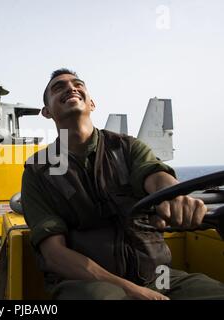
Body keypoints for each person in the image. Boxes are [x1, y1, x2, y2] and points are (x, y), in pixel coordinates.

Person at [21, 68, 224, 300]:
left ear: (92, 103)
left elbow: (156, 177)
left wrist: (174, 195)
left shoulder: (127, 148)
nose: (70, 87)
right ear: (47, 112)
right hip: (87, 282)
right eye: (59, 87)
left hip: (159, 277)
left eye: (78, 84)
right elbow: (54, 255)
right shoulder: (38, 171)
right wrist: (132, 290)